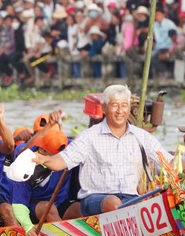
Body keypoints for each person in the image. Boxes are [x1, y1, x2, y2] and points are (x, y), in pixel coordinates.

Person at [34, 84, 171, 216]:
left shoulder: (141, 136)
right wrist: (45, 160)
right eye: (114, 105)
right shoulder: (89, 136)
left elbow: (169, 162)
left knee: (153, 203)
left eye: (124, 106)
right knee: (114, 203)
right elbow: (62, 160)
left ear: (129, 109)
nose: (120, 111)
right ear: (104, 108)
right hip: (95, 200)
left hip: (130, 198)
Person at [11, 128, 80, 236]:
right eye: (56, 156)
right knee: (49, 208)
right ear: (42, 150)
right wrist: (28, 227)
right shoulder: (25, 165)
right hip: (37, 208)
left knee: (79, 208)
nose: (61, 159)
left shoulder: (70, 147)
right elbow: (19, 204)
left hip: (62, 202)